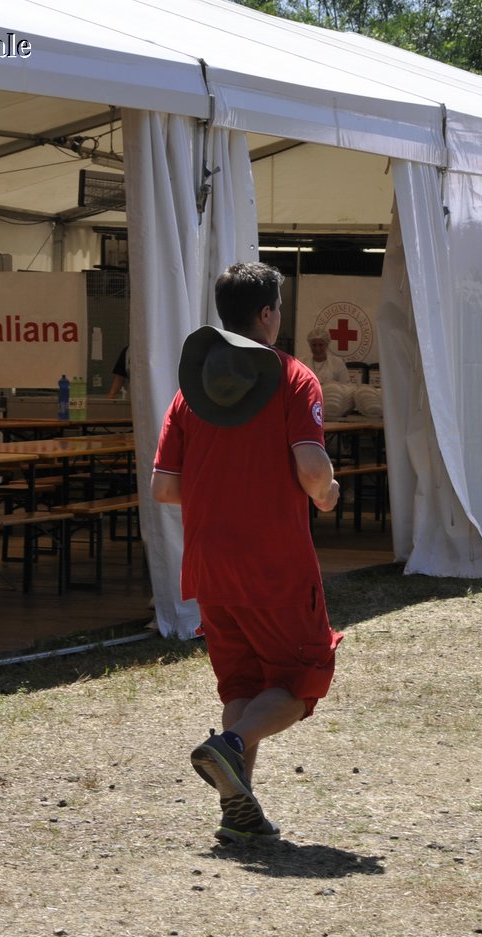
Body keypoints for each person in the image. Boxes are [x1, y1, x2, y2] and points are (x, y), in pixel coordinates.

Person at [151, 262, 343, 844]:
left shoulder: (193, 390)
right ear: (266, 315)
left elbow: (164, 487)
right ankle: (229, 746)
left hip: (208, 561)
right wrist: (328, 494)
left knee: (243, 683)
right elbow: (311, 469)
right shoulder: (293, 378)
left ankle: (238, 812)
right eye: (278, 310)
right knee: (305, 676)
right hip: (274, 561)